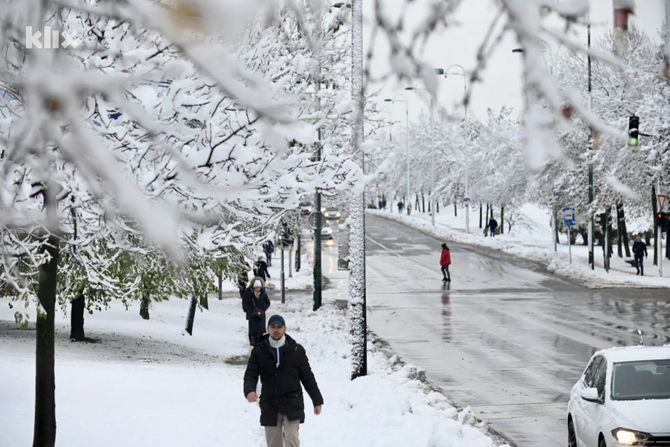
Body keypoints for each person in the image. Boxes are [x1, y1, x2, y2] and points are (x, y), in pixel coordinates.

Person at [244, 315, 323, 447]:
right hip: (270, 402)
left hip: (292, 400)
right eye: (273, 327)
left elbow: (307, 377)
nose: (276, 330)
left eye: (279, 327)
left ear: (285, 328)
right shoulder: (259, 350)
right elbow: (251, 373)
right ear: (267, 329)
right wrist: (249, 390)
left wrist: (317, 400)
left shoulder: (296, 350)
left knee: (292, 439)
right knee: (274, 443)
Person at [242, 278, 271, 346]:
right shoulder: (248, 292)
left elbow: (268, 303)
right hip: (252, 315)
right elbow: (245, 303)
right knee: (253, 330)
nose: (258, 289)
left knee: (260, 329)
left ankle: (260, 342)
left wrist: (262, 310)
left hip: (260, 315)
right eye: (256, 287)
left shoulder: (263, 292)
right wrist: (251, 311)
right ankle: (253, 342)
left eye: (259, 287)